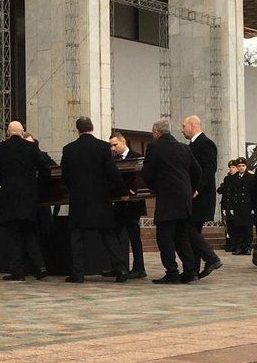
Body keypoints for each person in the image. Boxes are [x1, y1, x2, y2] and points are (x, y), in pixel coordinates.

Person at [60, 117, 130, 284]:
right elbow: (112, 172)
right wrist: (123, 191)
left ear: (77, 130)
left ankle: (78, 273)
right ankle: (120, 269)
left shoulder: (69, 149)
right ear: (92, 128)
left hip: (79, 200)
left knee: (77, 237)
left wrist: (73, 190)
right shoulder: (103, 147)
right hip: (100, 199)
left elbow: (65, 176)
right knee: (108, 235)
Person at [141, 119, 201, 284]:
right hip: (184, 200)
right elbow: (197, 171)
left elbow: (147, 173)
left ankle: (172, 272)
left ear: (156, 133)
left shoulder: (154, 147)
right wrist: (190, 188)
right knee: (182, 237)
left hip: (167, 200)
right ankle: (191, 271)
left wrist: (154, 187)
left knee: (164, 238)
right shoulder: (184, 148)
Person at [0, 121, 50, 281]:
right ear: (22, 132)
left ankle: (18, 271)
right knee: (31, 233)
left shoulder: (0, 149)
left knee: (14, 235)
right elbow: (45, 167)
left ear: (8, 132)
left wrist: (6, 185)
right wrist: (38, 186)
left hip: (10, 197)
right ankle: (41, 267)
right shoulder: (31, 147)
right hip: (29, 197)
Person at [181, 115, 223, 279]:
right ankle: (193, 270)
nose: (182, 130)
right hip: (193, 195)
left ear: (192, 125)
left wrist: (198, 188)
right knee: (193, 231)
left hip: (200, 196)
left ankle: (211, 258)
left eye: (184, 126)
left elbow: (209, 168)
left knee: (189, 230)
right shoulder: (192, 145)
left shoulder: (206, 143)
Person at [109, 132, 146, 279]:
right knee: (114, 233)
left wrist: (133, 190)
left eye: (115, 145)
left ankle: (139, 268)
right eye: (111, 146)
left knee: (134, 236)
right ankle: (119, 267)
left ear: (123, 142)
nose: (113, 148)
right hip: (119, 204)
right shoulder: (113, 159)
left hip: (133, 203)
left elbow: (141, 176)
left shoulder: (136, 156)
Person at [227, 157, 254, 254]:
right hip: (237, 206)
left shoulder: (251, 177)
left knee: (247, 228)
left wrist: (253, 207)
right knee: (238, 228)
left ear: (246, 166)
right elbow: (231, 193)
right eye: (239, 166)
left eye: (243, 166)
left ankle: (248, 247)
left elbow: (254, 193)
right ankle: (240, 247)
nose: (241, 167)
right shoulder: (234, 178)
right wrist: (230, 207)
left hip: (247, 206)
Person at [218, 160, 238, 251]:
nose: (231, 169)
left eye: (233, 167)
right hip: (226, 205)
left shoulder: (237, 178)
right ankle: (229, 243)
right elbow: (221, 190)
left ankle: (234, 243)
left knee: (234, 225)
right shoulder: (227, 178)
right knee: (227, 226)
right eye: (230, 167)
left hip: (234, 205)